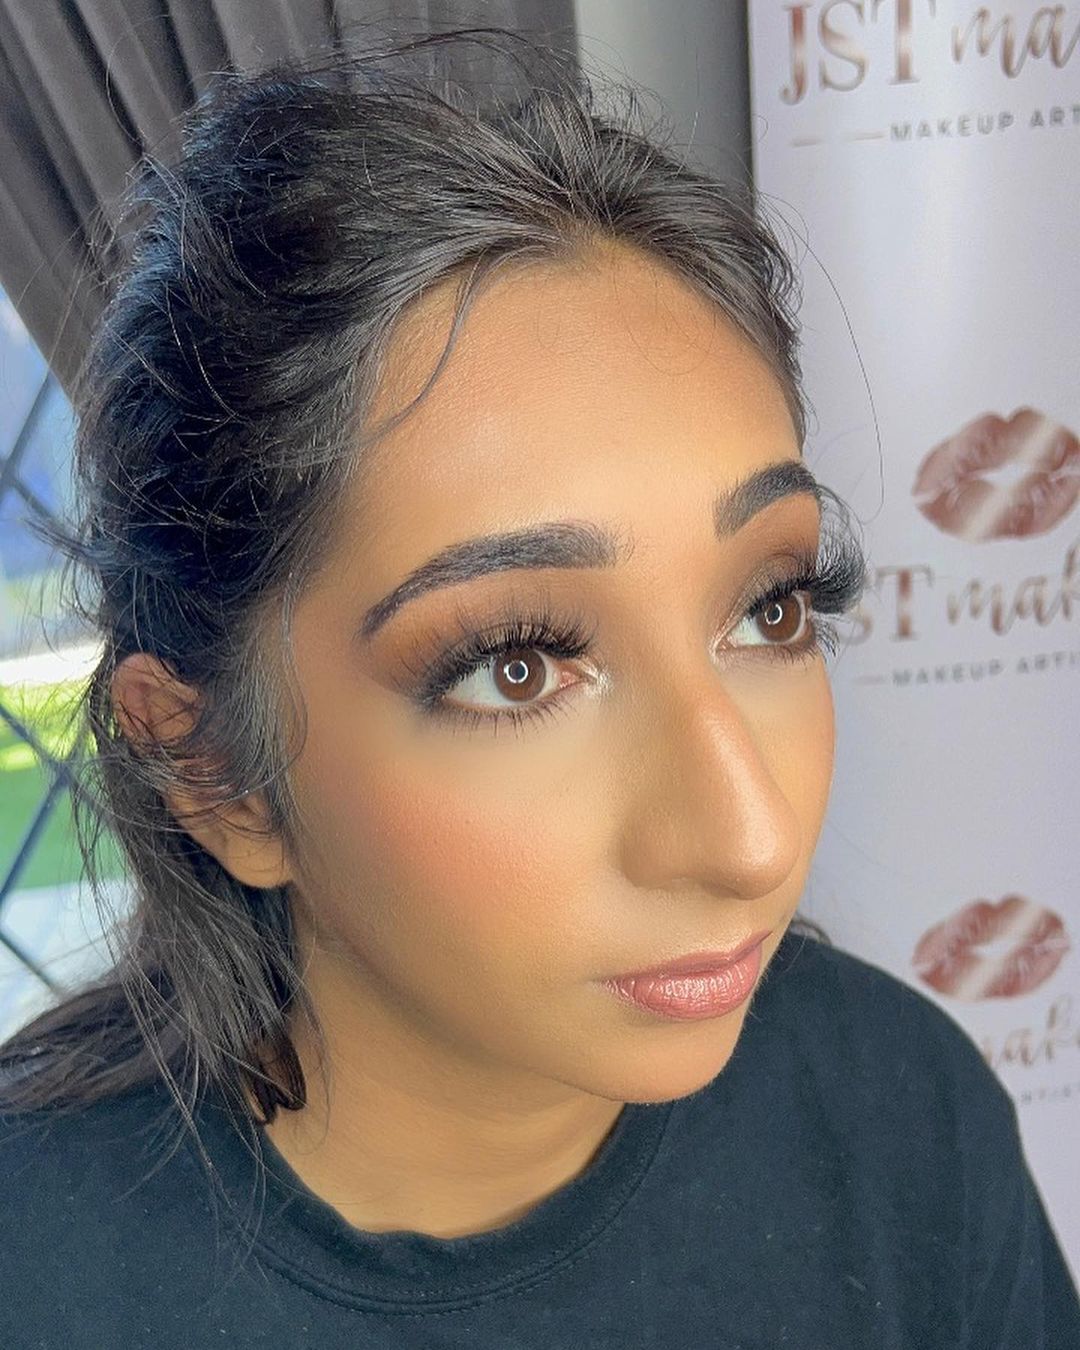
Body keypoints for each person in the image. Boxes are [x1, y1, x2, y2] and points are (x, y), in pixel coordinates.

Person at [0, 24, 1077, 1350]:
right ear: (212, 769)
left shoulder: (905, 1128)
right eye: (517, 669)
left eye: (771, 607)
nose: (749, 839)